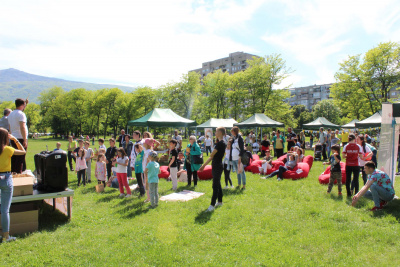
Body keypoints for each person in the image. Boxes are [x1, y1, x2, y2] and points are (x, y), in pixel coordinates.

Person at [0, 128, 26, 242]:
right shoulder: (8, 149)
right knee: (5, 209)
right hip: (6, 178)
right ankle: (6, 236)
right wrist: (15, 139)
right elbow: (23, 151)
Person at [199, 127, 227, 212]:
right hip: (217, 165)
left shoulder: (220, 143)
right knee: (218, 184)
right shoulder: (220, 142)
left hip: (217, 166)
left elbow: (211, 155)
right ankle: (220, 201)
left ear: (221, 133)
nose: (215, 133)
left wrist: (203, 165)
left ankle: (212, 205)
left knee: (215, 185)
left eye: (217, 131)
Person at [8, 98, 28, 173]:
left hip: (13, 137)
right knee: (21, 158)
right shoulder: (21, 114)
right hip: (20, 138)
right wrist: (25, 140)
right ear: (22, 105)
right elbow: (22, 127)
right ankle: (19, 174)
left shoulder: (11, 114)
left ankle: (13, 173)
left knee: (14, 158)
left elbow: (10, 127)